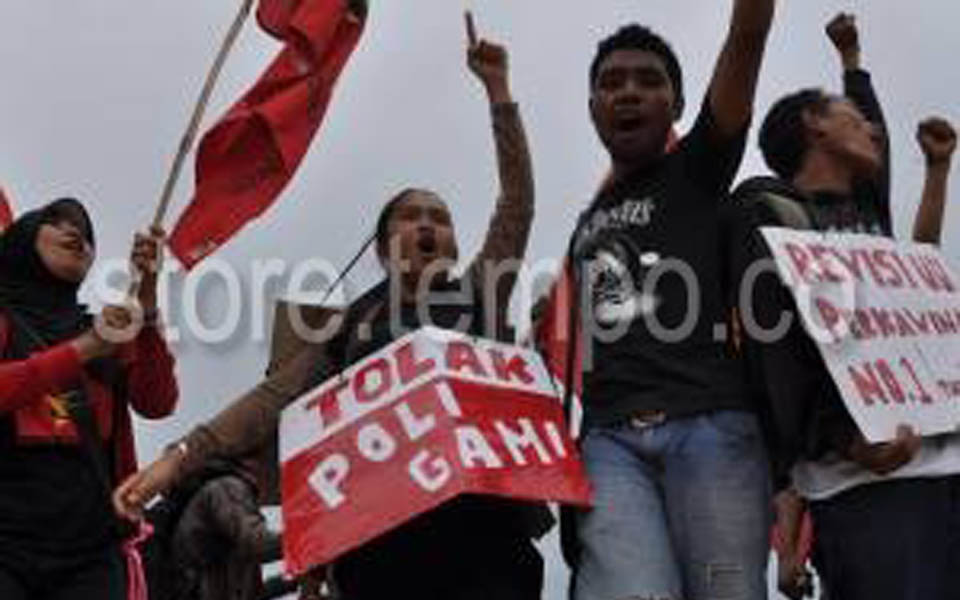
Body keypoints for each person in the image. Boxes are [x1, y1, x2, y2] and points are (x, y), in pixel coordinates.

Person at [115, 17, 548, 600]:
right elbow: (274, 400)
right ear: (383, 245)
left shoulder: (479, 292)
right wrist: (178, 458)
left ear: (452, 243)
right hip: (381, 541)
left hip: (483, 527)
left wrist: (499, 93)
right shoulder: (351, 330)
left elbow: (517, 203)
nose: (427, 224)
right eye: (411, 215)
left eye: (440, 218)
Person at [727, 12, 960, 600]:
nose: (875, 132)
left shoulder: (868, 227)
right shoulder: (771, 219)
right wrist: (849, 442)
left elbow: (914, 290)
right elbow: (775, 357)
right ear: (815, 127)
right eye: (854, 119)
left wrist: (854, 64)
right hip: (867, 489)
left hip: (945, 469)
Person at [566, 2, 775, 599]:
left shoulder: (700, 168)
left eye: (649, 81)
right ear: (592, 109)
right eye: (610, 83)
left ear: (681, 107)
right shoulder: (586, 221)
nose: (628, 93)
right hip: (608, 445)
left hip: (711, 431)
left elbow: (749, 33)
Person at [0, 198, 178, 600]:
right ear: (21, 241)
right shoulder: (14, 324)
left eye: (85, 231)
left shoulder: (104, 332)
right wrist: (81, 351)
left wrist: (147, 305)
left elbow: (157, 401)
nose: (76, 233)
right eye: (57, 221)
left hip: (91, 556)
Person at [167, 458, 282, 600]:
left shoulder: (226, 492)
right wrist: (308, 539)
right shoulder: (227, 489)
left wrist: (292, 581)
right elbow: (257, 543)